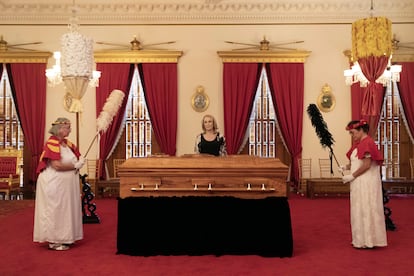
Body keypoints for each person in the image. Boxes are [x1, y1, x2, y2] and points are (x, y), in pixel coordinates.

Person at [33, 117, 85, 251]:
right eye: (67, 127)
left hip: (65, 186)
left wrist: (78, 162)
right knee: (56, 210)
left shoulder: (67, 144)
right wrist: (75, 166)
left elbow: (74, 158)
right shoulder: (52, 143)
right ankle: (55, 241)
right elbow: (57, 165)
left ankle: (66, 237)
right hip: (54, 184)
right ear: (60, 129)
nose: (70, 129)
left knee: (65, 210)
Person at [341, 119, 387, 249]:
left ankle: (369, 240)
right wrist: (346, 167)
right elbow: (357, 162)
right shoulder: (359, 144)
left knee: (367, 208)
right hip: (359, 181)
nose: (352, 135)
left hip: (367, 181)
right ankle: (360, 239)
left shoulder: (368, 143)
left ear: (361, 130)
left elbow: (367, 165)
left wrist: (351, 176)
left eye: (353, 132)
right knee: (358, 208)